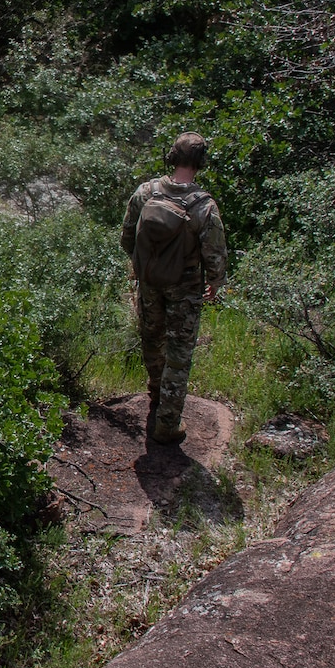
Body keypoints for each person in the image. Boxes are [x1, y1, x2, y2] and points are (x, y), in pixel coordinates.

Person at [119, 133, 228, 448]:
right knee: (179, 354)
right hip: (186, 288)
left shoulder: (145, 193)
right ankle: (167, 423)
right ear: (200, 163)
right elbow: (215, 255)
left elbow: (127, 237)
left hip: (150, 283)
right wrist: (215, 282)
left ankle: (156, 393)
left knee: (152, 339)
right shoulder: (203, 206)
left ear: (171, 157)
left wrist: (145, 266)